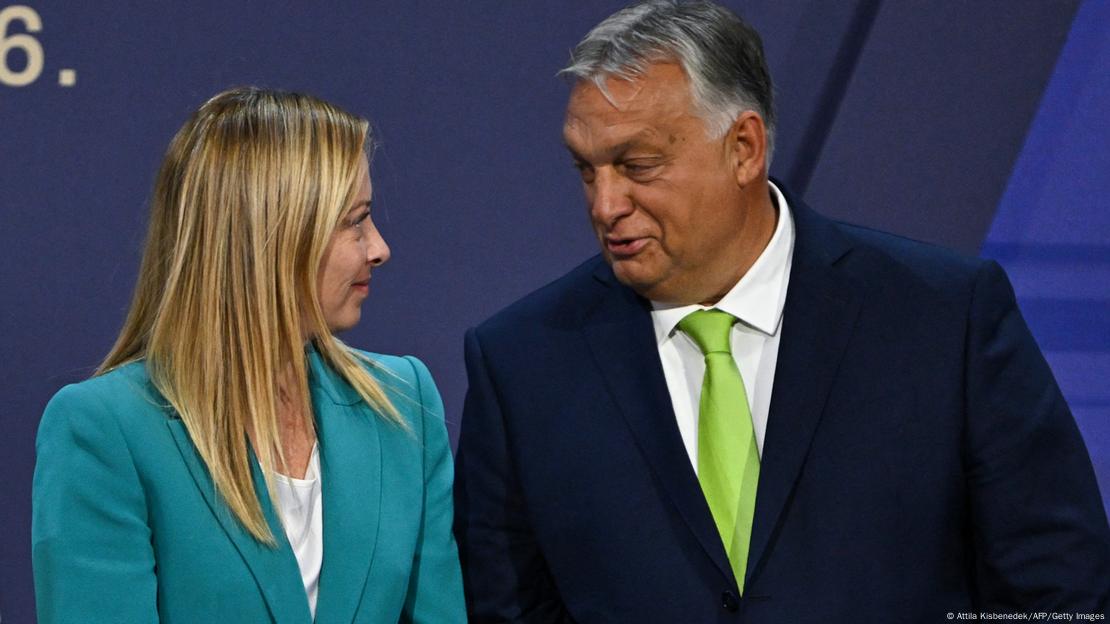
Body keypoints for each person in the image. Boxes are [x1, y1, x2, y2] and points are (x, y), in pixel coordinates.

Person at [452, 1, 1110, 621]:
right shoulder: (523, 364)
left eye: (638, 165)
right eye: (587, 171)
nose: (604, 205)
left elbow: (1060, 589)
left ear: (744, 148)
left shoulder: (944, 318)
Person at [32, 87, 466, 623]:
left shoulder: (402, 403)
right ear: (274, 235)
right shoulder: (104, 430)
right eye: (355, 221)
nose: (379, 247)